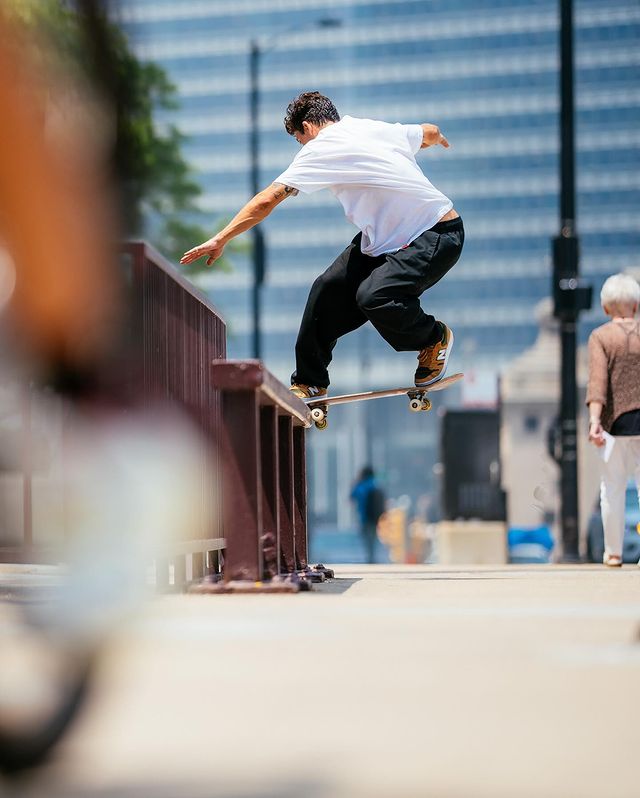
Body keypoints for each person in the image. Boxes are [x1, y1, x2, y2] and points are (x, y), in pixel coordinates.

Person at [181, 91, 464, 396]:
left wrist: (221, 237)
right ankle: (310, 381)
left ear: (308, 127)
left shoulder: (320, 148)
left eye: (299, 140)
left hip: (433, 233)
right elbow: (428, 132)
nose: (301, 148)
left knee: (375, 296)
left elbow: (267, 200)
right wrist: (438, 139)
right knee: (326, 290)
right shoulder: (366, 127)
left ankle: (433, 339)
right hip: (385, 243)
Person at [586, 273, 640, 567]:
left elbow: (598, 383)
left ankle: (614, 552)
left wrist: (595, 421)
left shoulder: (601, 337)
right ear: (635, 306)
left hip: (614, 426)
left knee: (612, 489)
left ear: (606, 309)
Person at [350, 466, 385, 563]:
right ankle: (372, 558)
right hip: (375, 518)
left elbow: (352, 497)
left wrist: (355, 483)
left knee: (366, 538)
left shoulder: (361, 486)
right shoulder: (375, 484)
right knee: (373, 538)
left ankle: (369, 559)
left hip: (364, 517)